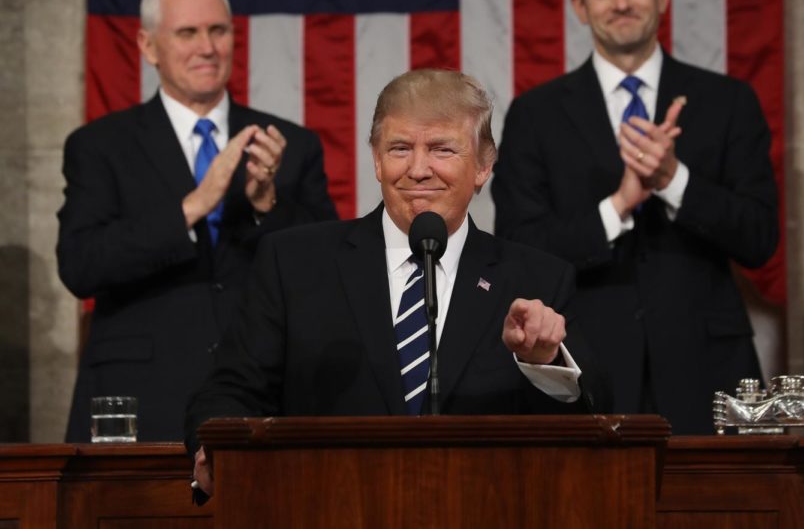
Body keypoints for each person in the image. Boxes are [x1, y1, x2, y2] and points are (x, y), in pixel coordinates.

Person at [185, 69, 606, 497]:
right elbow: (231, 389)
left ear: (483, 166)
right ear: (376, 159)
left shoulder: (536, 278)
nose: (418, 169)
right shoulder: (294, 263)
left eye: (442, 149)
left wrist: (543, 362)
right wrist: (214, 448)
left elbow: (593, 420)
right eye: (400, 148)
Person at [491, 0, 779, 434]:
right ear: (579, 6)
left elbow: (759, 238)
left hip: (708, 370)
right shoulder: (536, 114)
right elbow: (520, 245)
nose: (621, 2)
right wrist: (618, 206)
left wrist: (673, 180)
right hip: (588, 367)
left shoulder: (727, 101)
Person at [57, 0, 338, 442]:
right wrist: (192, 206)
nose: (207, 47)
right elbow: (81, 265)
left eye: (218, 30)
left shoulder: (289, 145)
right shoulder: (99, 146)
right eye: (187, 32)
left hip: (261, 396)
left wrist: (267, 206)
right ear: (148, 47)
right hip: (141, 399)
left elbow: (327, 272)